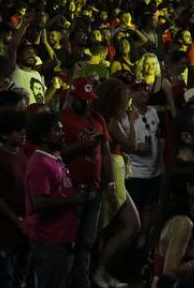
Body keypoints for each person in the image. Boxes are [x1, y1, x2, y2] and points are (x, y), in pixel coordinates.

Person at [60, 77, 115, 288]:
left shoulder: (97, 118)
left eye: (90, 99)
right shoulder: (63, 120)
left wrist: (109, 183)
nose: (88, 103)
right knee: (70, 241)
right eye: (83, 99)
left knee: (88, 240)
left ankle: (81, 281)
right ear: (73, 97)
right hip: (73, 189)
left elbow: (106, 152)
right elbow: (58, 153)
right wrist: (86, 144)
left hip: (95, 187)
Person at [24, 110, 85, 288]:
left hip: (60, 238)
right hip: (49, 241)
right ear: (43, 136)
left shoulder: (54, 157)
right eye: (57, 131)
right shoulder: (40, 164)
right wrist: (72, 200)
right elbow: (40, 203)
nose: (63, 133)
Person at [93, 77, 142, 288]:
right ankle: (98, 269)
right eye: (124, 98)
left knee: (116, 225)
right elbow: (130, 144)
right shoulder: (111, 121)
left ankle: (102, 271)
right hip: (114, 170)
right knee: (130, 224)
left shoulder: (105, 119)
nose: (127, 102)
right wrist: (132, 121)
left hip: (117, 169)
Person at [0, 109, 30, 288]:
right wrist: (16, 220)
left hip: (23, 230)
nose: (23, 133)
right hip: (5, 232)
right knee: (6, 279)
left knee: (21, 278)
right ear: (4, 134)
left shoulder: (21, 154)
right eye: (18, 131)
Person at [121, 79, 163, 251]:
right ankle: (128, 249)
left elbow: (159, 136)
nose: (143, 93)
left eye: (145, 90)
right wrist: (135, 149)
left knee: (149, 209)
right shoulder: (125, 116)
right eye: (138, 91)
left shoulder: (153, 112)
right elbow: (120, 144)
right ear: (131, 94)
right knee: (134, 213)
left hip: (154, 172)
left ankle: (143, 245)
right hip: (135, 173)